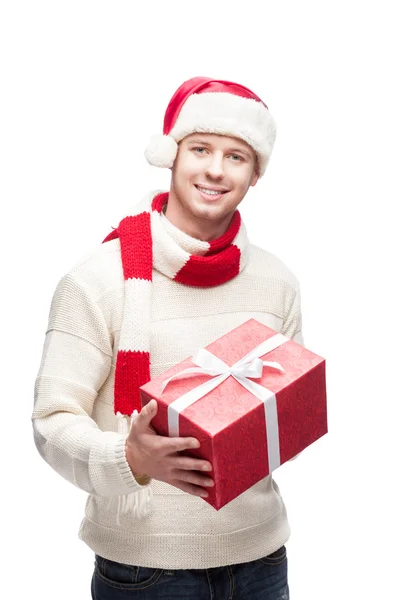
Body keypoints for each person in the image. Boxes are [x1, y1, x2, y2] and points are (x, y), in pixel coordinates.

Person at [32, 76, 303, 599]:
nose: (216, 170)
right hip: (144, 573)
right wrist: (129, 460)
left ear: (255, 174)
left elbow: (279, 414)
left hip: (262, 559)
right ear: (172, 156)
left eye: (237, 156)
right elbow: (50, 422)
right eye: (201, 148)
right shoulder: (97, 279)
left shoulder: (278, 283)